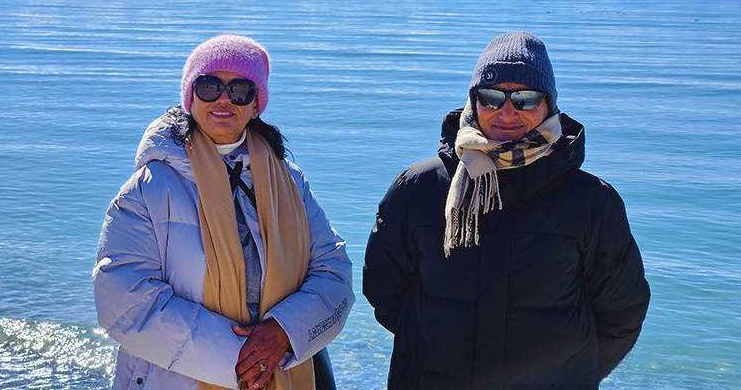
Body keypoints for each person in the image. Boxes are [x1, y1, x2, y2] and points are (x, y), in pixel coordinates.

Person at [363, 31, 650, 389]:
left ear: (549, 104)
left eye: (526, 99)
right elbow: (384, 292)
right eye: (491, 97)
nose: (508, 111)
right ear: (474, 101)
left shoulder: (591, 202)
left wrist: (571, 374)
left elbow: (622, 313)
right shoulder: (418, 189)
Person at [94, 34, 354, 390]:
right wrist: (241, 358)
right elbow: (123, 300)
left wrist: (284, 332)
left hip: (280, 369)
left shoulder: (289, 182)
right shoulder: (150, 187)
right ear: (190, 97)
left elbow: (333, 271)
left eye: (240, 90)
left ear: (256, 105)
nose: (223, 99)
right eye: (209, 86)